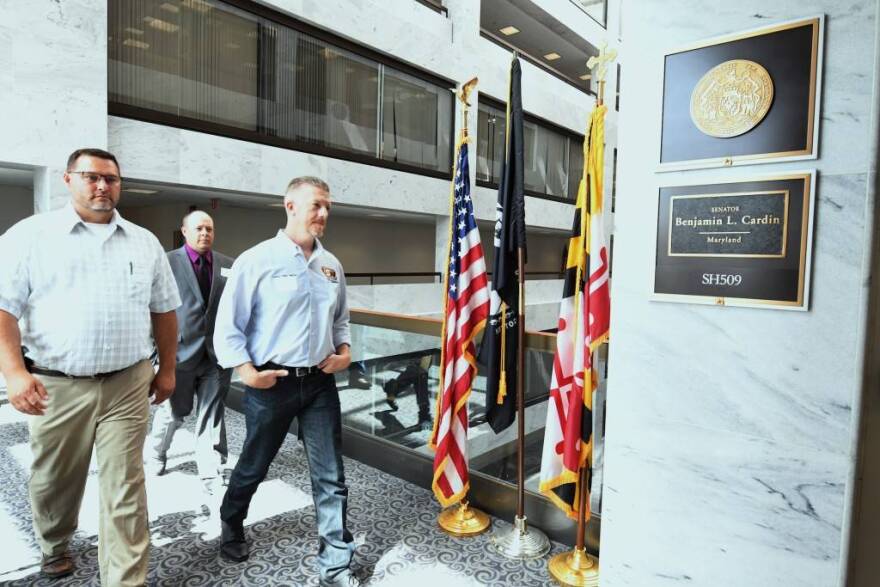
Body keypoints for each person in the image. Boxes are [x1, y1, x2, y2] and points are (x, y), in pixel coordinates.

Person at [0, 148, 180, 585]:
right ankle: (54, 542)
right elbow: (3, 309)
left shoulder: (144, 241)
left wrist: (168, 368)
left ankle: (124, 579)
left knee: (125, 487)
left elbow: (165, 310)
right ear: (67, 180)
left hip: (128, 381)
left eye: (111, 179)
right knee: (55, 481)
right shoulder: (31, 236)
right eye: (91, 177)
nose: (102, 186)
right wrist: (15, 374)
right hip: (57, 385)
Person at [213, 176, 360, 587]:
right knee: (254, 466)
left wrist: (344, 351)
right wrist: (247, 373)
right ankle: (231, 522)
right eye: (316, 205)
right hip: (272, 383)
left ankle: (335, 565)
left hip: (319, 385)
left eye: (328, 206)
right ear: (290, 205)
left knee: (331, 475)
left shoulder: (331, 265)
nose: (324, 213)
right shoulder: (257, 260)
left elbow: (341, 320)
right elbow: (229, 327)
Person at [147, 210, 234, 501]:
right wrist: (155, 355)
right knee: (172, 413)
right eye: (198, 228)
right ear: (184, 231)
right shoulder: (167, 263)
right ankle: (158, 453)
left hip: (215, 356)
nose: (205, 234)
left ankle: (210, 472)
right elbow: (153, 308)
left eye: (209, 228)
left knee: (211, 416)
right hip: (179, 355)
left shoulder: (228, 265)